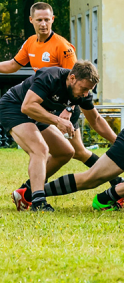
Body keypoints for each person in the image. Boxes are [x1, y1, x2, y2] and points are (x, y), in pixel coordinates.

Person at [0, 2, 107, 180]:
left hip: (64, 105)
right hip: (43, 101)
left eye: (47, 20)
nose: (43, 24)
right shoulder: (30, 43)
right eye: (39, 20)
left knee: (75, 151)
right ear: (31, 20)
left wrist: (69, 110)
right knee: (75, 152)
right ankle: (30, 190)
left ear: (52, 20)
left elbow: (76, 82)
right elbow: (12, 65)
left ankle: (116, 179)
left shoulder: (62, 47)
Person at [2, 61, 117, 212]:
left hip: (38, 114)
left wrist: (120, 142)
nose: (85, 94)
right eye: (84, 89)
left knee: (66, 152)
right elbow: (27, 106)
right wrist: (57, 120)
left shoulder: (82, 92)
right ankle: (38, 203)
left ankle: (27, 192)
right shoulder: (50, 76)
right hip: (14, 107)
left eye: (89, 90)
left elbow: (95, 120)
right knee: (40, 149)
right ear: (72, 78)